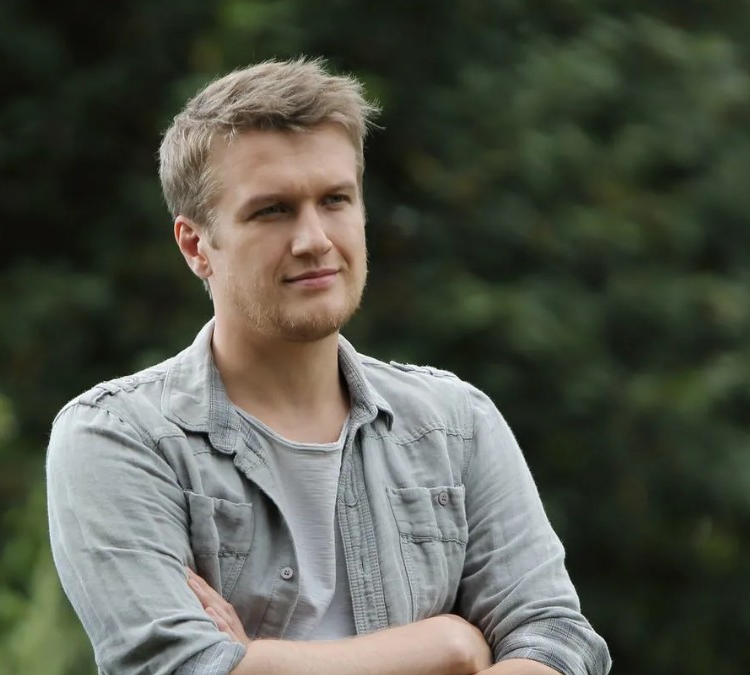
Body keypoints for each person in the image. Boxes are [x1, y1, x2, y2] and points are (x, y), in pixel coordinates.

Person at [46, 57, 611, 675]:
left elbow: (558, 639)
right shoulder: (120, 437)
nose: (314, 239)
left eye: (335, 200)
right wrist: (449, 647)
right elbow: (179, 667)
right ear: (196, 245)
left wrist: (257, 661)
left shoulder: (455, 425)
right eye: (273, 210)